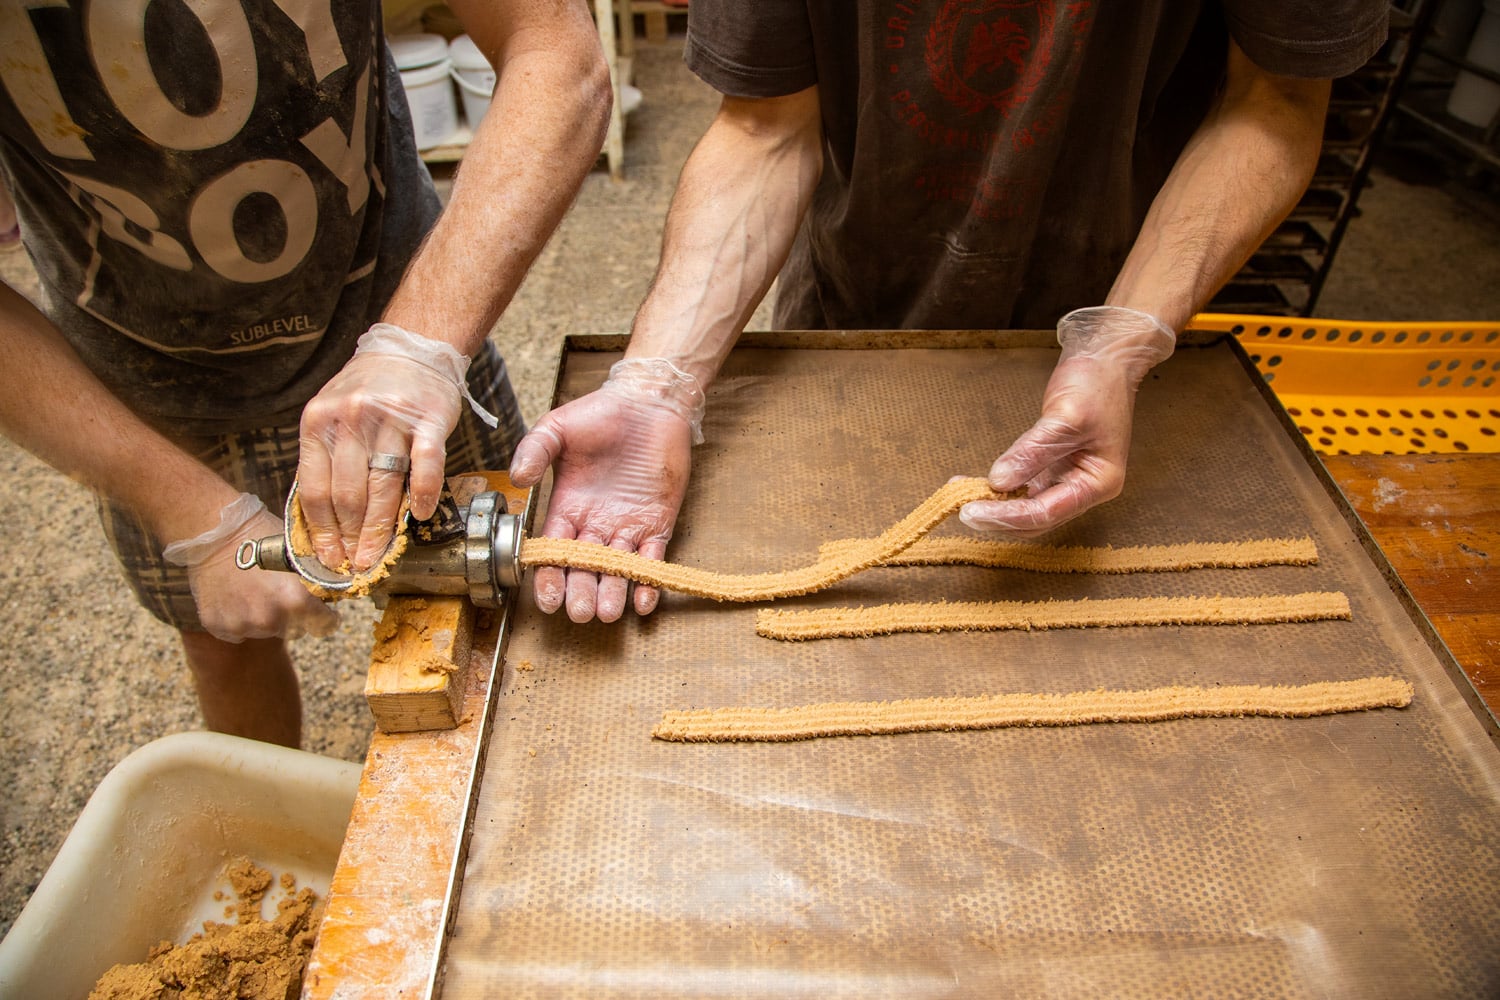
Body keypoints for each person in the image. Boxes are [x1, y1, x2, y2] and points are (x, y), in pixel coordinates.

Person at [508, 1, 1389, 624]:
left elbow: (1274, 103)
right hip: (855, 291)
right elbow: (768, 127)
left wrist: (1119, 346)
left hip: (1131, 269)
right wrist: (660, 381)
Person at [0, 1, 611, 746]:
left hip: (404, 308)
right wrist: (186, 508)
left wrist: (417, 346)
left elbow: (557, 55)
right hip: (143, 381)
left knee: (499, 596)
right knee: (224, 641)